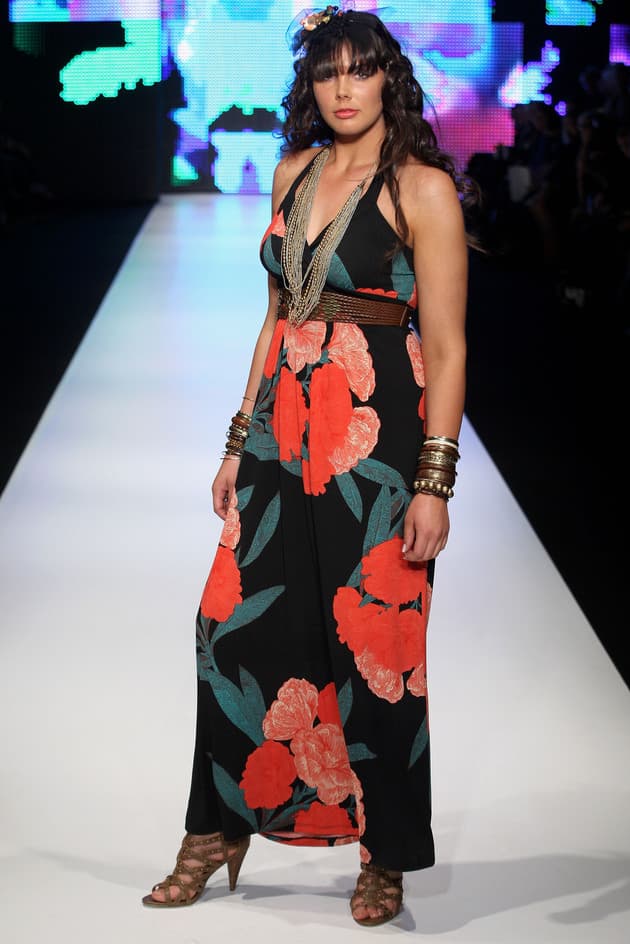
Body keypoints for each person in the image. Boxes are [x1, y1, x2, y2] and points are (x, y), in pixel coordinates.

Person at [143, 5, 474, 927]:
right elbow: (276, 317)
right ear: (310, 85)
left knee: (379, 653)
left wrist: (434, 482)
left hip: (377, 442)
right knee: (227, 628)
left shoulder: (423, 190)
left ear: (388, 79)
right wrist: (235, 440)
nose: (342, 88)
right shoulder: (294, 171)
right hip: (280, 435)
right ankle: (216, 829)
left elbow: (448, 348)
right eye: (327, 72)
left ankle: (386, 852)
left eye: (359, 70)